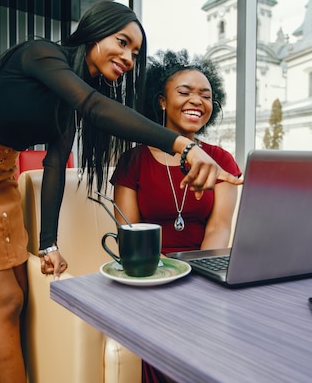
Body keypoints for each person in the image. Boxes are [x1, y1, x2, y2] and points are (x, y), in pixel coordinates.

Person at [0, 2, 242, 383]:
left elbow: (55, 165)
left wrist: (49, 243)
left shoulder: (67, 104)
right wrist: (183, 145)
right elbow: (93, 105)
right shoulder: (40, 54)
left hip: (0, 179)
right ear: (94, 32)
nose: (129, 58)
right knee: (7, 300)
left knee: (20, 296)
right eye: (122, 42)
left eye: (135, 52)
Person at [110, 50, 242, 383]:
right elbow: (128, 232)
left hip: (202, 276)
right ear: (162, 101)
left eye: (206, 95)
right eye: (184, 92)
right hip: (148, 279)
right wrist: (161, 278)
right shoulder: (134, 161)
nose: (196, 100)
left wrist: (199, 280)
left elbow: (220, 228)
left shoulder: (221, 159)